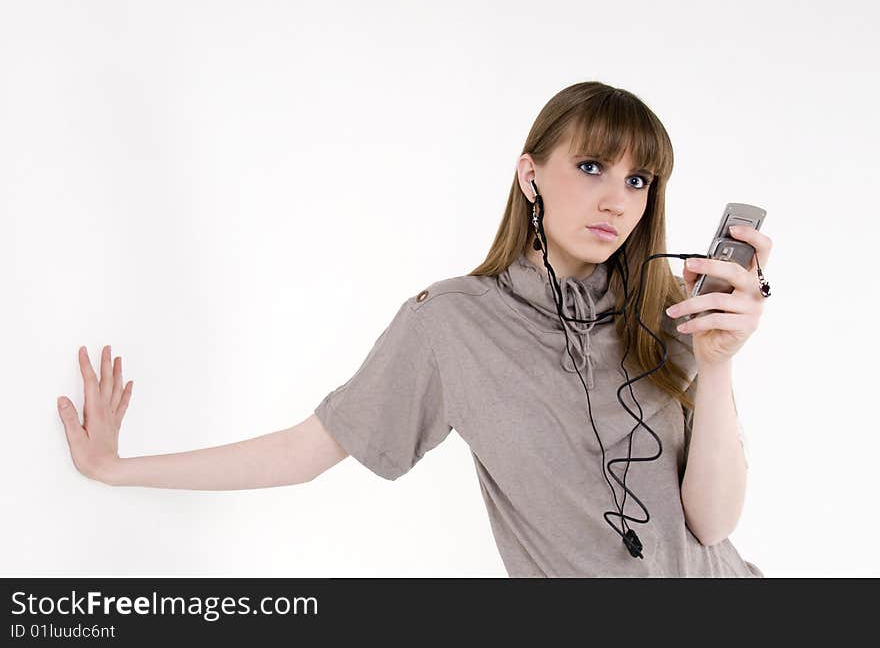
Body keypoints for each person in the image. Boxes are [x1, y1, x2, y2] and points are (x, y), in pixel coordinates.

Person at [57, 81, 772, 577]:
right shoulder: (452, 322)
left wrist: (715, 364)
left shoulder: (669, 316)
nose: (617, 199)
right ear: (531, 175)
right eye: (591, 166)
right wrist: (116, 467)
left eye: (639, 180)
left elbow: (711, 524)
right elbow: (300, 452)